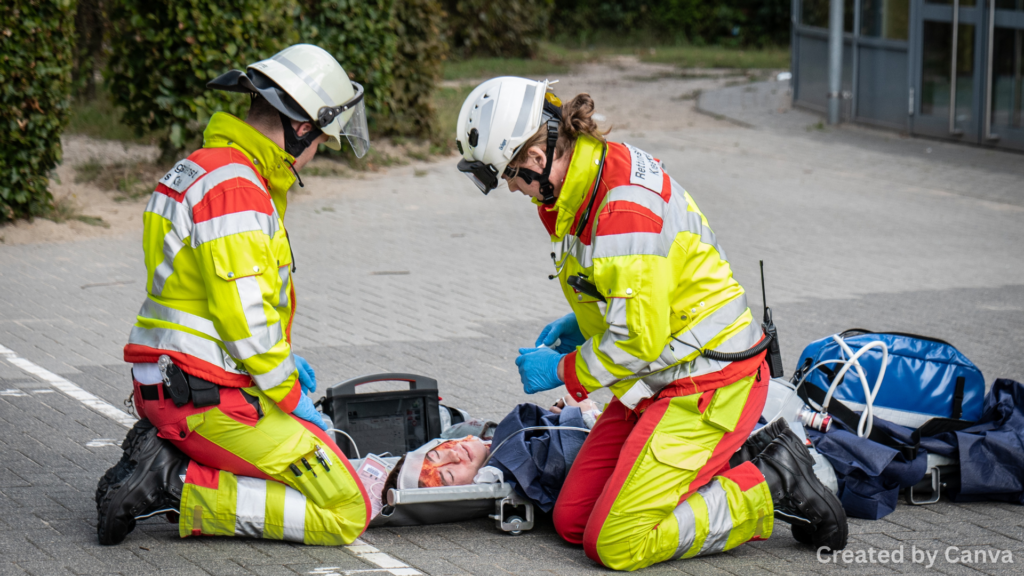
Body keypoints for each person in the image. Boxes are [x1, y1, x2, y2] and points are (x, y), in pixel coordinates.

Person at [453, 77, 848, 571]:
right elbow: (634, 288)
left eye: (511, 175)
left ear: (535, 155)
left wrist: (561, 370)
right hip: (657, 378)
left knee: (616, 543)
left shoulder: (621, 208)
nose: (513, 187)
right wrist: (584, 322)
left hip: (708, 383)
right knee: (573, 521)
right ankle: (699, 470)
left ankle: (770, 481)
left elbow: (638, 340)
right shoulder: (585, 180)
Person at [95, 44, 372, 547]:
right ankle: (174, 483)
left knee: (311, 464)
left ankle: (169, 457)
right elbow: (246, 317)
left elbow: (204, 298)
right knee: (347, 506)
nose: (315, 156)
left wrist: (277, 364)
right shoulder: (237, 189)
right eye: (319, 141)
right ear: (301, 127)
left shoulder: (204, 168)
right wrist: (289, 394)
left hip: (179, 382)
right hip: (204, 397)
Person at [381, 395, 602, 512]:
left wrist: (558, 416)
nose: (454, 456)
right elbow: (567, 457)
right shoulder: (520, 465)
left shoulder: (492, 442)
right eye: (448, 475)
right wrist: (584, 415)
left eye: (438, 455)